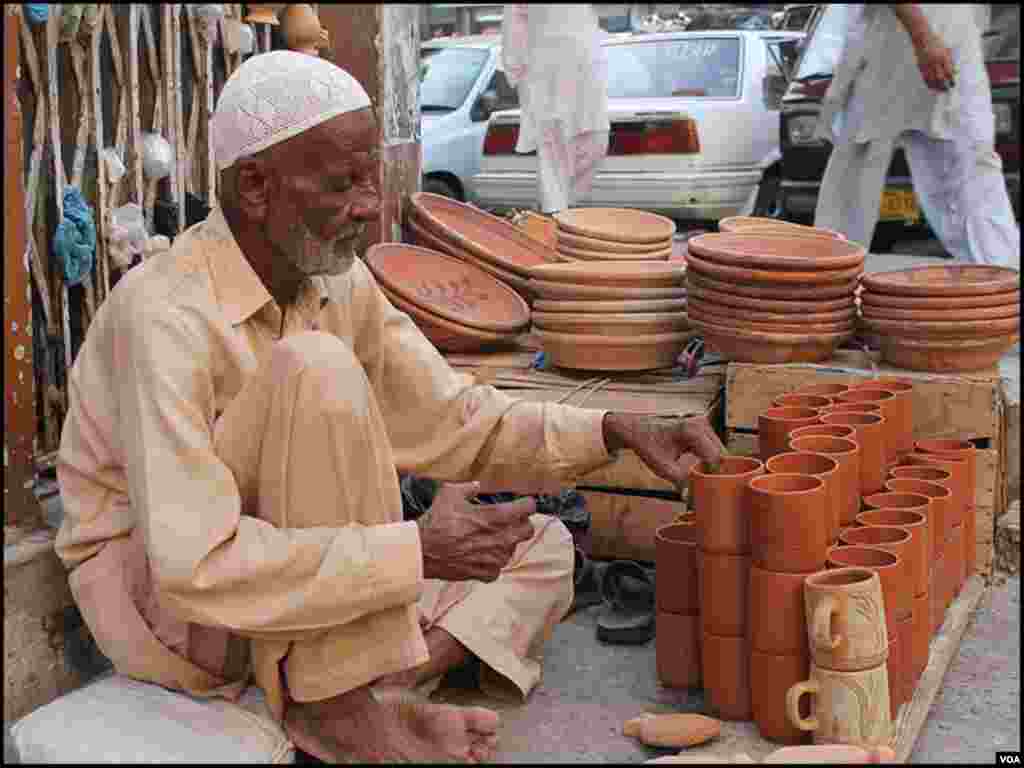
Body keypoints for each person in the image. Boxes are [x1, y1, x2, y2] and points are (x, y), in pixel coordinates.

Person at [54, 51, 725, 763]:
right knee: (315, 367)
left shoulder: (334, 282)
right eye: (344, 184)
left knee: (543, 546)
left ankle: (368, 693)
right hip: (176, 612)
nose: (371, 205)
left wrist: (611, 429)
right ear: (255, 186)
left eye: (371, 178)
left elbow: (454, 420)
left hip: (290, 592)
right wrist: (414, 551)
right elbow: (195, 567)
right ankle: (346, 711)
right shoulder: (164, 314)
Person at [814, 4, 1019, 268]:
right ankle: (828, 275)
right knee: (858, 164)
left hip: (955, 37)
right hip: (897, 43)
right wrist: (923, 39)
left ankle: (1001, 274)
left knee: (973, 159)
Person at [501, 4, 610, 215]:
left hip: (585, 69)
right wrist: (515, 66)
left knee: (597, 140)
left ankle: (562, 205)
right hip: (543, 73)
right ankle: (555, 213)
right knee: (552, 145)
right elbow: (513, 22)